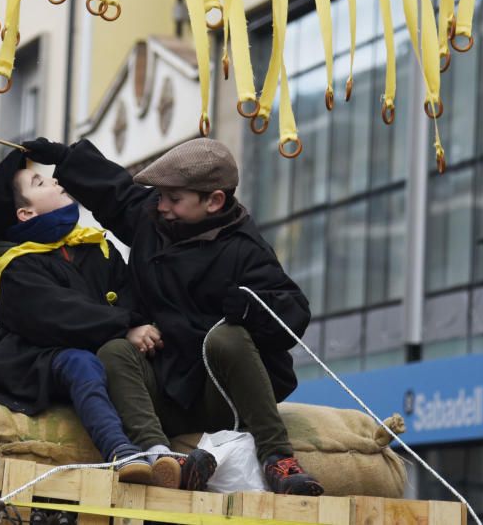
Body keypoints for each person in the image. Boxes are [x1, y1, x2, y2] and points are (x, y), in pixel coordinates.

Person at [22, 137, 323, 496]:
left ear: (214, 201)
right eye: (160, 195)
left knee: (228, 336)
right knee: (114, 350)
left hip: (219, 397)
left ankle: (277, 458)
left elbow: (293, 313)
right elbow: (113, 191)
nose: (161, 205)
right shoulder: (152, 218)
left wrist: (248, 309)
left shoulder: (247, 250)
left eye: (173, 199)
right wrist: (65, 158)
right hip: (163, 391)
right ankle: (159, 455)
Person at [0, 150, 208, 489]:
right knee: (82, 364)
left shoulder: (93, 246)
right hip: (39, 359)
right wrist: (125, 327)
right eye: (40, 181)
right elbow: (61, 314)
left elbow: (129, 291)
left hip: (103, 345)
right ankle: (122, 453)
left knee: (143, 358)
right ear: (26, 212)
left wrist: (144, 329)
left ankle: (173, 449)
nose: (55, 180)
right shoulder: (17, 266)